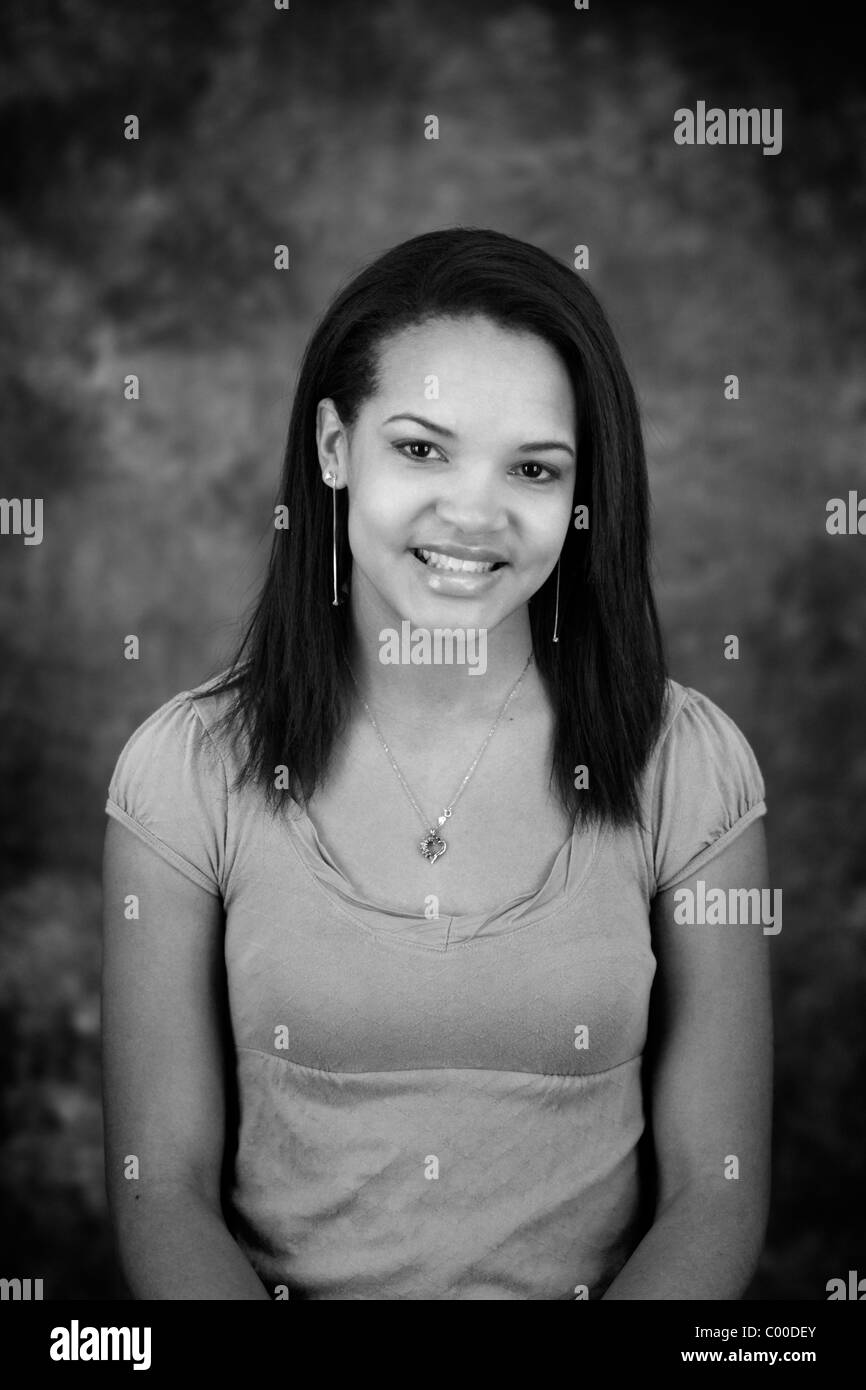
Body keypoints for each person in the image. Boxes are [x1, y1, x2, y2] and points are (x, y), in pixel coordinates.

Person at [101, 227, 772, 1300]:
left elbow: (716, 1187)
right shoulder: (181, 774)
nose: (473, 512)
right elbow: (159, 1185)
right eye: (419, 448)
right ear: (333, 448)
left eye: (532, 468)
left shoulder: (687, 767)